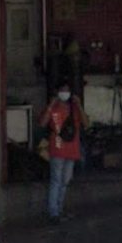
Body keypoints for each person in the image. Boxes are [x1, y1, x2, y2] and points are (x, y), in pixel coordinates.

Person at [40, 80, 90, 224]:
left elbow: (86, 123)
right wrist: (50, 105)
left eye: (67, 90)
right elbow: (43, 123)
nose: (65, 93)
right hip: (57, 149)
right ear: (57, 92)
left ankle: (59, 209)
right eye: (62, 90)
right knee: (56, 180)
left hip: (71, 150)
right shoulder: (53, 108)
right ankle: (53, 212)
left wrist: (79, 105)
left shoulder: (74, 108)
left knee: (65, 181)